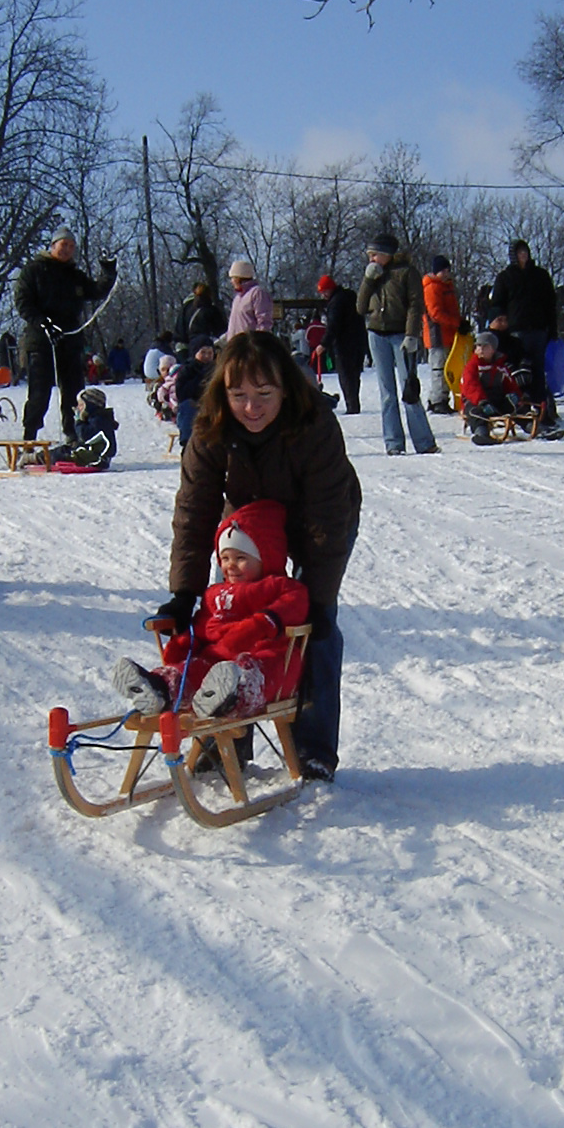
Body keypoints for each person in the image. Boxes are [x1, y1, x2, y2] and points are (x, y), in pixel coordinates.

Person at [159, 331, 361, 781]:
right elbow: (194, 513)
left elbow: (327, 519)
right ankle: (225, 738)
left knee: (315, 629)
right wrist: (184, 592)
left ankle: (313, 749)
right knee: (226, 619)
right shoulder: (210, 429)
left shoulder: (315, 425)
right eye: (239, 395)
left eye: (264, 394)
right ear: (222, 393)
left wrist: (313, 598)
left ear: (285, 389)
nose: (252, 407)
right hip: (249, 520)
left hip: (319, 517)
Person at [115, 500, 309, 720]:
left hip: (266, 653)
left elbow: (295, 604)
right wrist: (184, 642)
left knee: (253, 669)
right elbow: (203, 626)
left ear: (266, 557)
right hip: (216, 660)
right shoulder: (214, 593)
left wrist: (261, 623)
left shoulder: (279, 586)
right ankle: (159, 688)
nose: (230, 565)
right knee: (193, 668)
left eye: (241, 558)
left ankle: (230, 697)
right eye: (224, 558)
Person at [15, 226, 116, 443]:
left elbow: (96, 291)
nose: (67, 249)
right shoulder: (34, 270)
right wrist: (43, 323)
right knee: (39, 392)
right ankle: (29, 437)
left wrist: (108, 272)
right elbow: (23, 302)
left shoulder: (74, 275)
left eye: (71, 246)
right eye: (63, 245)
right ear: (53, 246)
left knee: (73, 391)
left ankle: (73, 434)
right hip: (41, 340)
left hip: (70, 339)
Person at [356, 232, 438, 456]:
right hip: (377, 334)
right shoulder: (373, 275)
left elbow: (415, 305)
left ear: (386, 254)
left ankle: (424, 442)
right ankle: (393, 443)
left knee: (408, 389)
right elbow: (360, 307)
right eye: (370, 256)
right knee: (387, 393)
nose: (372, 259)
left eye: (375, 255)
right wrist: (368, 280)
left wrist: (412, 335)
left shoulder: (406, 273)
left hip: (401, 334)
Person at [490, 240, 563, 430]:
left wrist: (552, 328)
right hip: (515, 331)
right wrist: (498, 327)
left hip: (538, 329)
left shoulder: (540, 275)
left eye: (525, 252)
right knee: (519, 372)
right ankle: (521, 411)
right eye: (519, 252)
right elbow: (497, 304)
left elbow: (550, 303)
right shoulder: (505, 277)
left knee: (538, 372)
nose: (523, 255)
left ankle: (543, 411)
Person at [460, 330, 528, 443]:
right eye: (478, 346)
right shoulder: (472, 366)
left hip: (496, 400)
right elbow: (471, 386)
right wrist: (482, 401)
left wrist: (517, 397)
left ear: (493, 349)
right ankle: (481, 433)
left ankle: (531, 426)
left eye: (485, 346)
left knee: (516, 406)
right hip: (475, 401)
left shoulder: (500, 367)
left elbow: (510, 384)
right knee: (475, 412)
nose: (480, 350)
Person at [315, 274, 367, 414]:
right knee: (354, 375)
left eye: (324, 291)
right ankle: (354, 403)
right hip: (359, 340)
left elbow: (334, 325)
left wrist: (323, 344)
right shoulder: (350, 296)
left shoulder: (336, 303)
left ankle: (352, 406)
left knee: (346, 375)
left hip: (344, 344)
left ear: (331, 289)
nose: (323, 295)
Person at [422, 255, 461, 414]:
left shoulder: (447, 287)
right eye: (443, 270)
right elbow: (435, 313)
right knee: (439, 369)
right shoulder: (432, 287)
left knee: (447, 368)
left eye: (448, 270)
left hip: (449, 334)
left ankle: (439, 398)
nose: (446, 273)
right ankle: (438, 400)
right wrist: (456, 322)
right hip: (436, 335)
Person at [173, 334, 215, 448]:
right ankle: (187, 441)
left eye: (209, 353)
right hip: (192, 403)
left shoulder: (217, 369)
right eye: (203, 352)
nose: (206, 356)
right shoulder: (187, 369)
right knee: (188, 408)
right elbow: (181, 393)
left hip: (212, 404)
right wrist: (200, 379)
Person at [71, 386, 119, 468]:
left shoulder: (98, 420)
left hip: (96, 457)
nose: (78, 408)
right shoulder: (97, 418)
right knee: (66, 449)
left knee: (63, 453)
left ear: (90, 406)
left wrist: (79, 421)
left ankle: (45, 458)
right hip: (95, 454)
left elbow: (84, 436)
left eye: (81, 405)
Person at [225, 259, 273, 338]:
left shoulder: (257, 293)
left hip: (249, 345)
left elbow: (264, 322)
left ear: (239, 278)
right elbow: (234, 326)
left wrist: (258, 342)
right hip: (235, 345)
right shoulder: (237, 298)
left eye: (232, 278)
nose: (231, 281)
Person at [175, 282, 226, 351]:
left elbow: (180, 329)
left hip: (186, 347)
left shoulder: (186, 307)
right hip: (205, 347)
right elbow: (221, 330)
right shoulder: (211, 310)